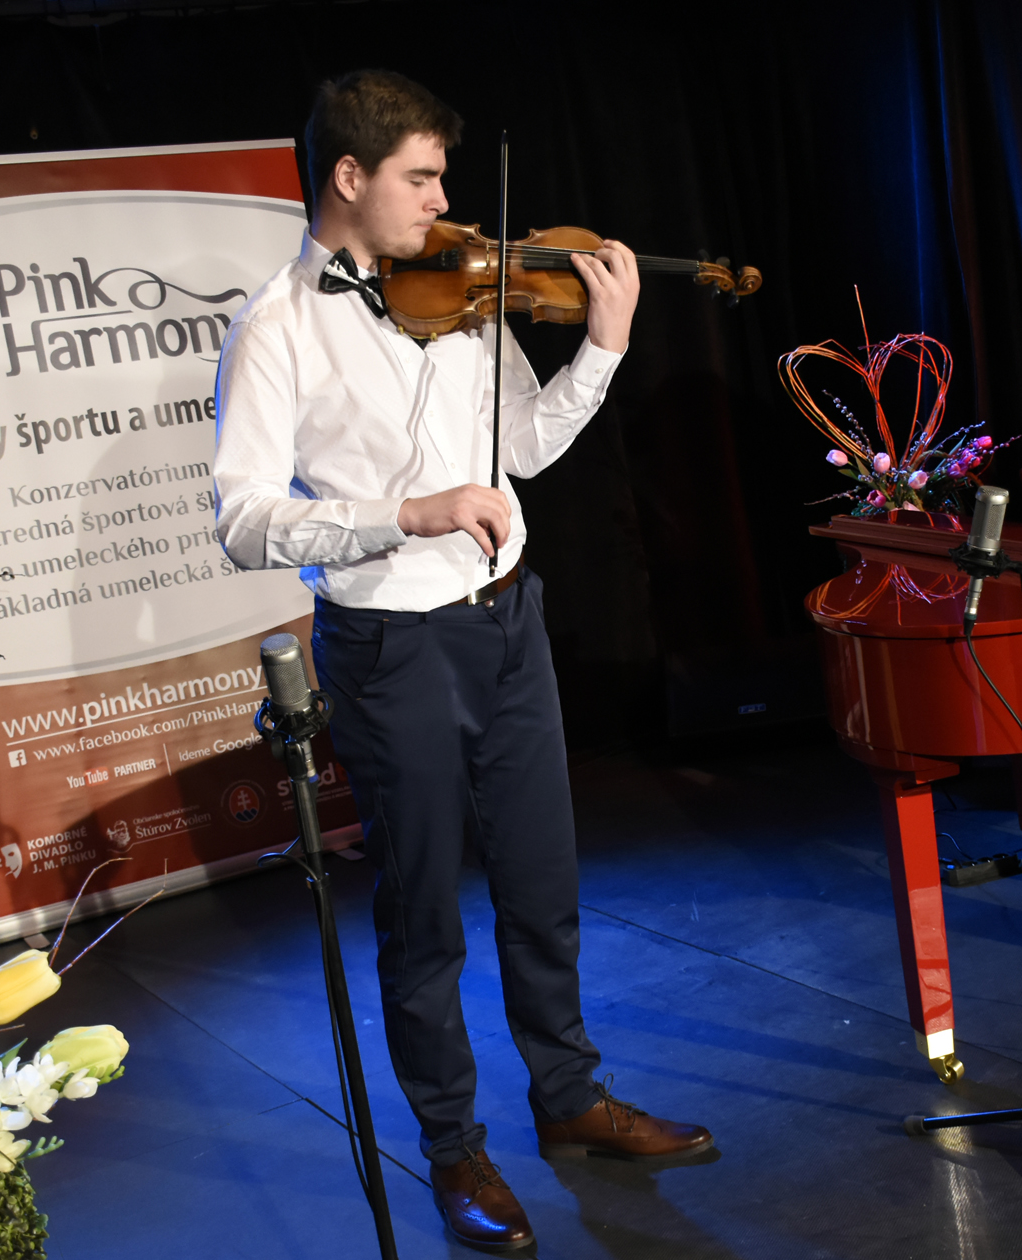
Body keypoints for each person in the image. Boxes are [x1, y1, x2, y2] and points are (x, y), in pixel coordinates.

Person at [213, 70, 712, 1255]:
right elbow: (242, 517)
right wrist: (405, 513)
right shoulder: (277, 325)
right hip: (390, 645)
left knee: (543, 879)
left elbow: (521, 447)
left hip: (506, 619)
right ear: (349, 177)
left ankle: (569, 1097)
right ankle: (452, 1148)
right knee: (424, 908)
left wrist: (601, 349)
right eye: (422, 179)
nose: (446, 204)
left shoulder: (466, 289)